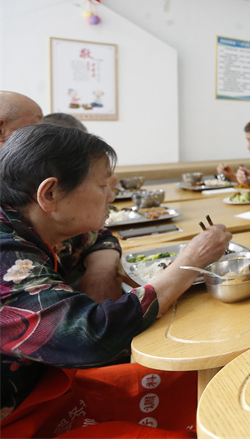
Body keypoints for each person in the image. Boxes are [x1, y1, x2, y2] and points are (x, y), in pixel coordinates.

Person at [0, 124, 232, 437]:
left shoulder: (30, 222)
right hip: (20, 417)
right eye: (101, 186)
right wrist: (190, 262)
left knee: (199, 380)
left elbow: (99, 235)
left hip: (48, 382)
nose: (111, 196)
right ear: (49, 194)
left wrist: (100, 269)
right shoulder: (6, 255)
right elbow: (92, 336)